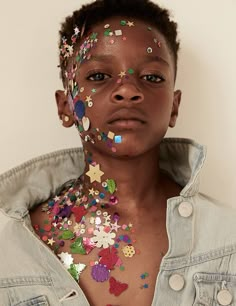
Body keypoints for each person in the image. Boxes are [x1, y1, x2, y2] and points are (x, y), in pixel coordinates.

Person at [0, 0, 236, 305]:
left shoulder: (228, 240)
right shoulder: (13, 245)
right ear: (65, 106)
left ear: (174, 106)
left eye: (152, 77)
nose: (127, 90)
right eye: (99, 76)